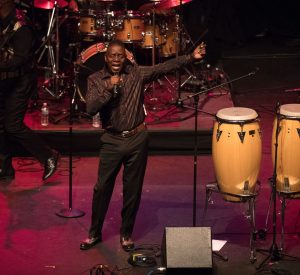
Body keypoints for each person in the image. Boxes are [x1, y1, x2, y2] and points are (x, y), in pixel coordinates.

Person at [80, 39, 206, 251]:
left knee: (133, 190)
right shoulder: (95, 79)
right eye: (112, 55)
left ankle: (126, 233)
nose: (116, 59)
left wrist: (189, 57)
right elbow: (90, 108)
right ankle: (94, 233)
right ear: (106, 57)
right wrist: (110, 87)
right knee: (102, 189)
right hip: (111, 140)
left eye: (120, 55)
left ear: (126, 57)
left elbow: (163, 67)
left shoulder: (136, 73)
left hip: (137, 139)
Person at [0, 0, 59, 181]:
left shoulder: (22, 26)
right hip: (5, 80)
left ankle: (48, 155)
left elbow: (19, 59)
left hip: (21, 82)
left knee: (12, 125)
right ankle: (5, 168)